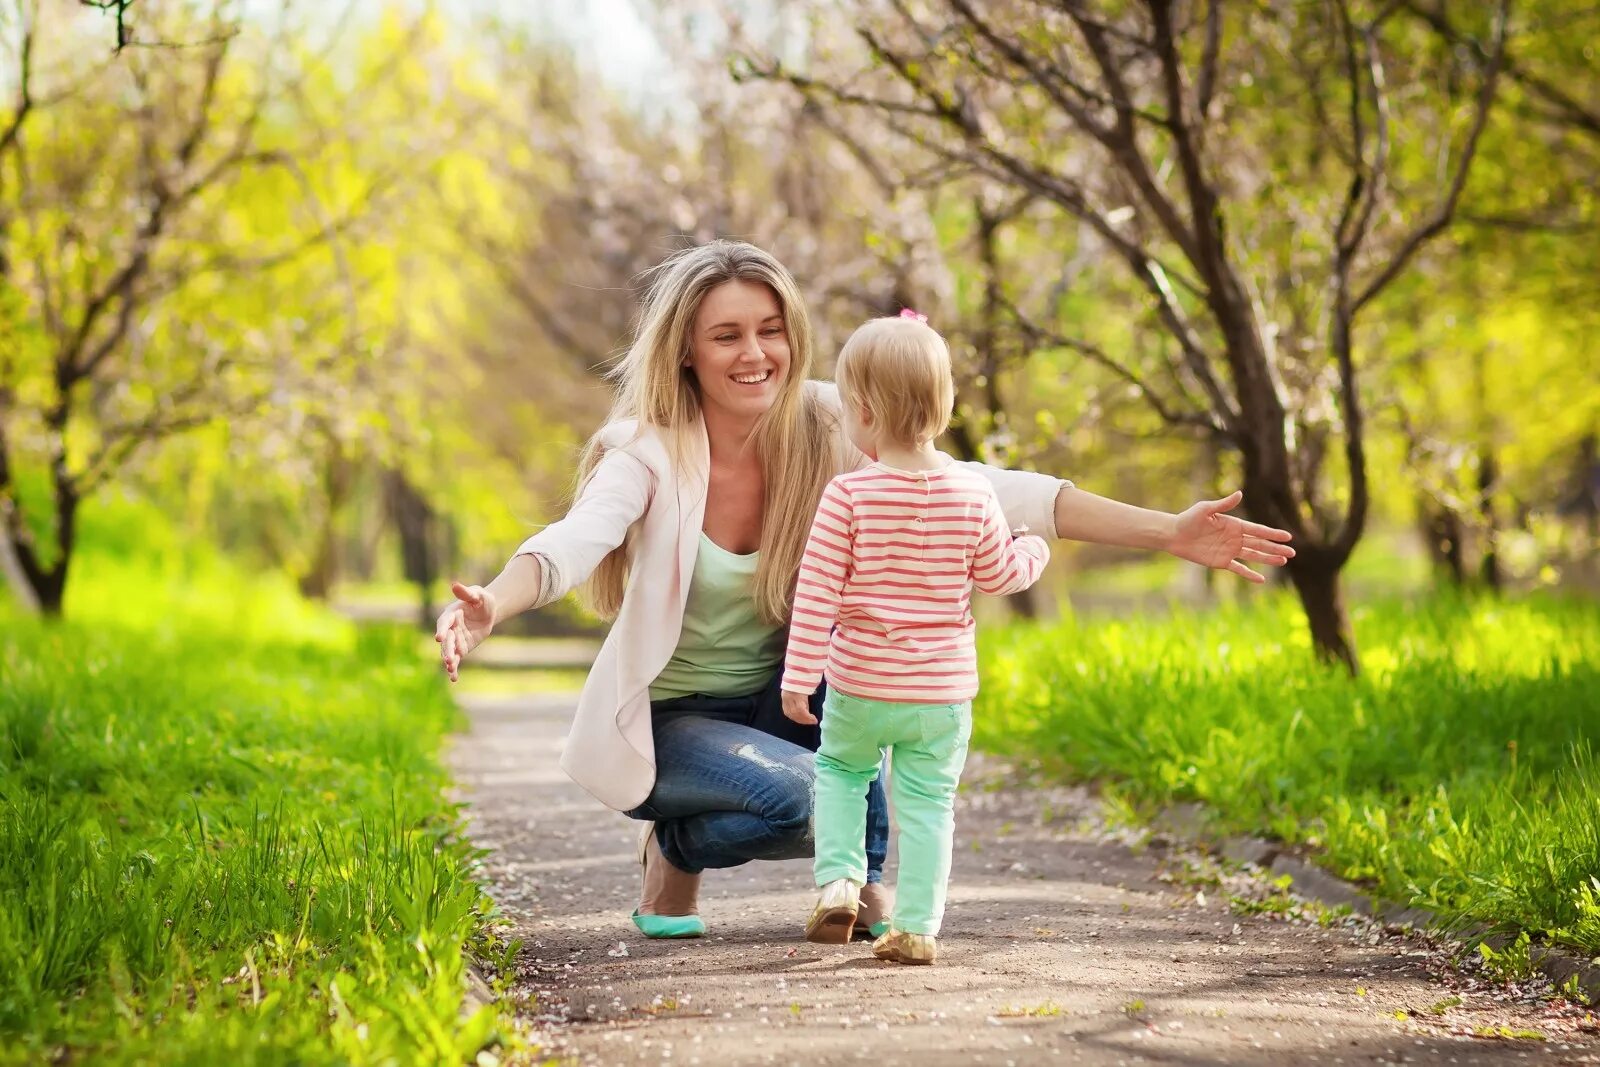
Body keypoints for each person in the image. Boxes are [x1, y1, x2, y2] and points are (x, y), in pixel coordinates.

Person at [435, 240, 1295, 942]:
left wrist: (1170, 532)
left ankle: (693, 849)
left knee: (826, 788)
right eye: (727, 334)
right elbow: (572, 544)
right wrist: (492, 605)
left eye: (770, 329)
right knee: (813, 796)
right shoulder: (645, 452)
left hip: (785, 703)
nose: (755, 353)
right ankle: (691, 837)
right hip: (673, 723)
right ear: (687, 351)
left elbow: (1004, 491)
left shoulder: (831, 424)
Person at [779, 310, 1049, 965]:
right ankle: (917, 926)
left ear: (865, 411)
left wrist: (797, 677)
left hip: (860, 684)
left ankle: (841, 880)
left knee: (842, 773)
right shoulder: (974, 493)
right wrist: (1035, 546)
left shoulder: (847, 497)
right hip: (940, 694)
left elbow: (814, 592)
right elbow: (1001, 573)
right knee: (930, 806)